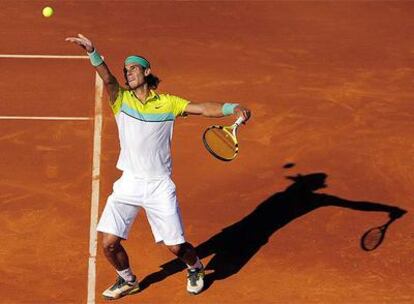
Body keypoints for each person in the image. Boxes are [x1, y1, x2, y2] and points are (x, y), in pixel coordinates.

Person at [65, 34, 251, 300]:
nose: (127, 73)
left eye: (133, 68)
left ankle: (195, 267)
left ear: (146, 71)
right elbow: (107, 79)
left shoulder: (168, 103)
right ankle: (128, 279)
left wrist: (233, 107)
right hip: (129, 182)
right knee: (108, 244)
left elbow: (202, 108)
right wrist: (93, 52)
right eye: (125, 69)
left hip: (158, 185)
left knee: (175, 247)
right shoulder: (121, 101)